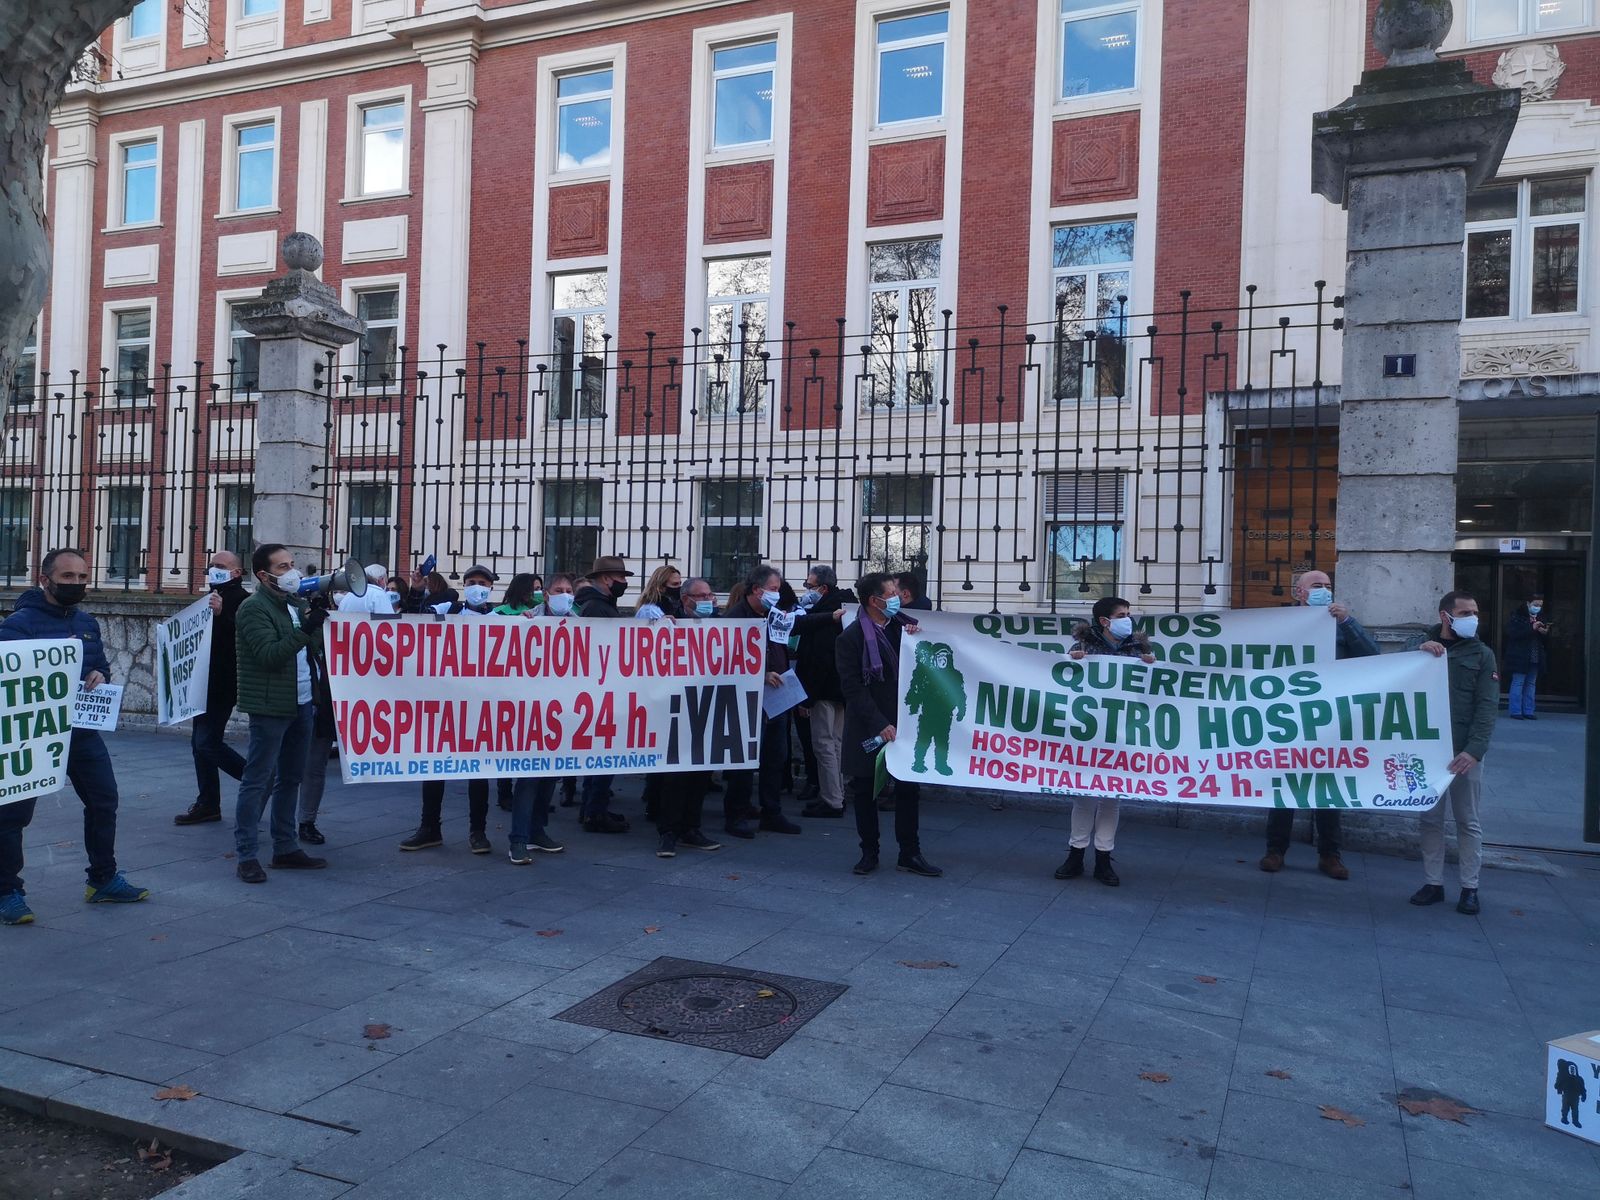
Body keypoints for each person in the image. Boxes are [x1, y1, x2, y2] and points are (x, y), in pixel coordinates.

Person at [0, 549, 149, 924]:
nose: (77, 584)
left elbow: (99, 665)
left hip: (80, 734)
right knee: (13, 816)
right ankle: (7, 892)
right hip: (34, 737)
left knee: (104, 802)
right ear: (44, 579)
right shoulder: (18, 625)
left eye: (83, 577)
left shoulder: (86, 623)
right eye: (68, 577)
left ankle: (103, 880)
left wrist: (100, 676)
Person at [1260, 568, 1379, 881]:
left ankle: (1330, 855)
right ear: (1299, 592)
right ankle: (1275, 850)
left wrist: (1347, 622)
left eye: (1328, 585)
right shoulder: (1278, 625)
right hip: (1289, 719)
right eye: (1316, 586)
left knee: (1328, 790)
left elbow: (1373, 655)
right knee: (1284, 788)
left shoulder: (1342, 625)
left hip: (1329, 721)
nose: (1324, 590)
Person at [231, 544, 330, 883]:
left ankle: (285, 847)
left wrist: (316, 619)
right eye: (283, 566)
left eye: (292, 564)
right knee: (257, 781)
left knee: (291, 779)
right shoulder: (252, 609)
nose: (292, 571)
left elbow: (314, 646)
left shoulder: (294, 604)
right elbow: (270, 655)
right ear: (263, 575)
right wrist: (305, 630)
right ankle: (246, 854)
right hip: (271, 706)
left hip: (302, 702)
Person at [834, 571, 939, 877]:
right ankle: (869, 852)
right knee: (866, 790)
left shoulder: (904, 629)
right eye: (891, 593)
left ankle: (910, 852)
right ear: (873, 601)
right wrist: (879, 723)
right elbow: (853, 688)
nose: (897, 598)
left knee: (908, 789)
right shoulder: (850, 638)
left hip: (904, 722)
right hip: (869, 726)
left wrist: (919, 637)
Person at [1054, 596, 1156, 887]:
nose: (1128, 619)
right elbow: (1063, 682)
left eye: (1128, 613)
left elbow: (1149, 692)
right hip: (1088, 734)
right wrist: (1070, 662)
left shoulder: (1139, 649)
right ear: (1104, 621)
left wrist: (1152, 667)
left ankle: (1103, 858)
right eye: (1122, 614)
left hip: (1121, 734)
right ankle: (1075, 854)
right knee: (1084, 796)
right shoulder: (1083, 647)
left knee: (1111, 798)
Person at [400, 564, 501, 853]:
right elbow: (413, 623)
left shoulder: (500, 619)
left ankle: (478, 831)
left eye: (482, 582)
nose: (477, 586)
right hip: (443, 700)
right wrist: (417, 593)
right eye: (471, 581)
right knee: (434, 765)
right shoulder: (449, 609)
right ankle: (429, 827)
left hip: (481, 704)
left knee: (478, 771)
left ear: (491, 586)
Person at [1410, 590, 1498, 916]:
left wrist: (1474, 751)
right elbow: (1389, 666)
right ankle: (1433, 883)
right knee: (1430, 819)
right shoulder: (1420, 645)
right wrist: (1417, 649)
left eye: (1474, 612)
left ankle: (1469, 888)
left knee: (1467, 821)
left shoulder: (1482, 655)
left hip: (1464, 753)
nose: (1472, 618)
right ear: (1445, 616)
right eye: (1464, 613)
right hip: (1428, 751)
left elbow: (1487, 707)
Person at [720, 564, 803, 839]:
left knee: (775, 757)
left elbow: (798, 625)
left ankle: (771, 812)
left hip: (776, 699)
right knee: (744, 762)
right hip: (748, 700)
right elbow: (728, 660)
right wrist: (761, 673)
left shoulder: (771, 614)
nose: (777, 595)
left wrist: (832, 616)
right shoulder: (736, 619)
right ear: (757, 590)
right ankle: (736, 814)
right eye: (774, 589)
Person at [643, 577, 721, 858]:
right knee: (674, 775)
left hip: (704, 705)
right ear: (686, 599)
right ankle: (668, 832)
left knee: (700, 773)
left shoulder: (719, 625)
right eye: (700, 596)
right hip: (673, 708)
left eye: (710, 595)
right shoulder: (669, 622)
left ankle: (691, 828)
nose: (707, 600)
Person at [175, 550, 249, 826]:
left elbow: (242, 637)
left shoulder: (242, 601)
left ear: (237, 572)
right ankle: (208, 803)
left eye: (220, 566)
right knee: (198, 744)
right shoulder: (208, 599)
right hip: (202, 682)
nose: (213, 570)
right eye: (211, 566)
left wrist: (220, 615)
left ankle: (257, 779)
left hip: (222, 683)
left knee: (207, 743)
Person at [573, 556, 633, 833]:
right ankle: (594, 812)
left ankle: (591, 808)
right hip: (601, 689)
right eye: (621, 578)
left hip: (599, 688)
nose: (624, 583)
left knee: (599, 753)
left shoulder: (598, 605)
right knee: (603, 753)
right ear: (608, 579)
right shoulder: (597, 607)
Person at [793, 566, 855, 819]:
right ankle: (837, 793)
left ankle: (832, 800)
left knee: (824, 745)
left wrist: (808, 697)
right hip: (840, 690)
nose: (806, 591)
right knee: (836, 744)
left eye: (809, 586)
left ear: (823, 589)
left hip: (824, 691)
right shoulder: (846, 611)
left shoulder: (828, 616)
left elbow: (818, 661)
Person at [1503, 594, 1549, 720]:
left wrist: (1544, 632)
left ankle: (1529, 710)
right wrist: (1531, 628)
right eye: (1535, 604)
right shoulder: (1517, 615)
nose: (1537, 607)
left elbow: (1545, 638)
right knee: (1518, 682)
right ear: (1528, 603)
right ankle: (1516, 710)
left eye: (1540, 605)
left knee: (1531, 683)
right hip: (1519, 655)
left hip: (1535, 655)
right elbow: (1513, 633)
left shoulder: (1541, 617)